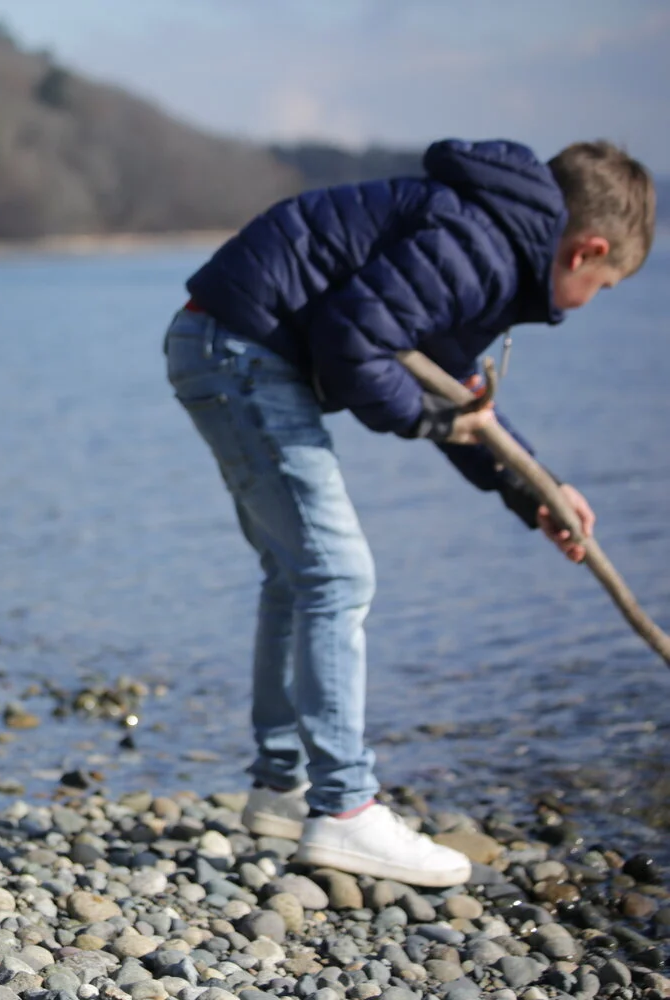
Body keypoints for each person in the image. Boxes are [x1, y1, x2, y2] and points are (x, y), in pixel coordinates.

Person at [162, 140, 655, 886]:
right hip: (242, 351)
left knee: (298, 576)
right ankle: (345, 809)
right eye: (606, 285)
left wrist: (537, 492)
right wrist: (430, 423)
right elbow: (353, 342)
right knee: (337, 576)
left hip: (221, 342)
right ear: (588, 250)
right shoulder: (481, 245)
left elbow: (450, 386)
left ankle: (281, 787)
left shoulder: (487, 235)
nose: (592, 301)